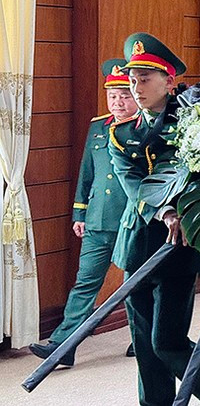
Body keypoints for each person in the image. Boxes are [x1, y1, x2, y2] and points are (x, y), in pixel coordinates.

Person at [109, 33, 200, 405]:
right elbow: (135, 187)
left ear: (169, 80)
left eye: (145, 78)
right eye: (132, 79)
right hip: (138, 246)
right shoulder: (121, 134)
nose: (135, 87)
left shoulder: (196, 125)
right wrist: (164, 211)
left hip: (181, 246)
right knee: (145, 349)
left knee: (167, 342)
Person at [28, 59, 138, 366]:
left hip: (133, 220)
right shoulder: (97, 127)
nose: (118, 101)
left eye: (124, 95)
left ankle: (142, 338)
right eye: (112, 95)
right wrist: (80, 212)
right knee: (85, 281)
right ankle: (64, 345)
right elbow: (87, 173)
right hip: (98, 219)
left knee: (136, 283)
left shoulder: (147, 128)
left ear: (135, 94)